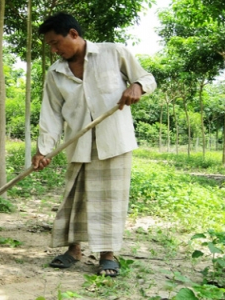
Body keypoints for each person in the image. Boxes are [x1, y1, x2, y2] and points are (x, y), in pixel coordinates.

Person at [32, 12, 156, 277]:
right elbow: (51, 114)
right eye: (50, 46)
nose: (54, 50)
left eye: (56, 43)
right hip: (78, 141)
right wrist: (44, 149)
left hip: (115, 139)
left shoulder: (114, 53)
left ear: (73, 34)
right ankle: (73, 250)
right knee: (76, 196)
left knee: (110, 198)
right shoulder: (55, 73)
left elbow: (148, 78)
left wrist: (136, 86)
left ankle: (107, 256)